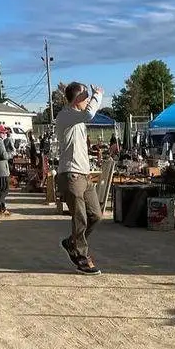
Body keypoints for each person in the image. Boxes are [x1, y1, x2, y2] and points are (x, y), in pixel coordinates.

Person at [55, 82, 105, 274]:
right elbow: (89, 113)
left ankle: (71, 242)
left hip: (84, 174)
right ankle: (81, 256)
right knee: (80, 218)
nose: (88, 100)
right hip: (71, 174)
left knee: (96, 215)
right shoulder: (66, 115)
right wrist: (97, 94)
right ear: (79, 99)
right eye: (85, 97)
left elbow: (84, 113)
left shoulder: (75, 118)